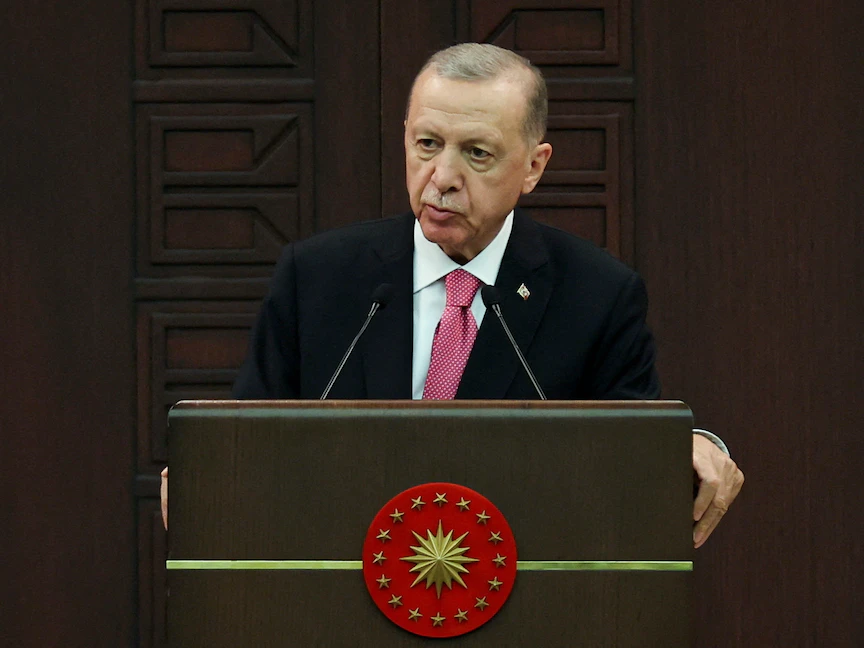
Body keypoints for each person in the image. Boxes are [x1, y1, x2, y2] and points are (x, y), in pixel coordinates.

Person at [161, 43, 743, 547]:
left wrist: (693, 446)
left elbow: (637, 450)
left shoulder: (597, 294)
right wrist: (208, 469)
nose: (441, 177)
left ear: (534, 166)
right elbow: (248, 437)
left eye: (477, 153)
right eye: (427, 143)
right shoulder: (319, 277)